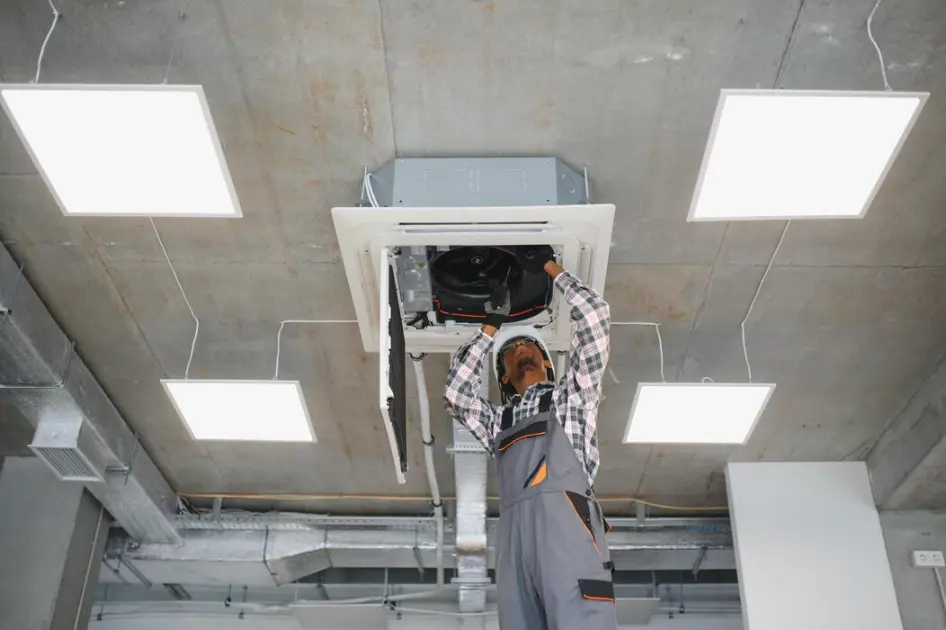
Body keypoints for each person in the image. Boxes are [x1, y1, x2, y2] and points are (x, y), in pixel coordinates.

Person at [444, 245, 615, 630]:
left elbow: (595, 315)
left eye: (531, 346)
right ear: (503, 375)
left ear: (548, 363)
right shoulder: (498, 423)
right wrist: (491, 327)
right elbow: (457, 396)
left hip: (565, 530)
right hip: (515, 541)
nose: (522, 348)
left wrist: (549, 268)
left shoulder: (573, 396)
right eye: (511, 351)